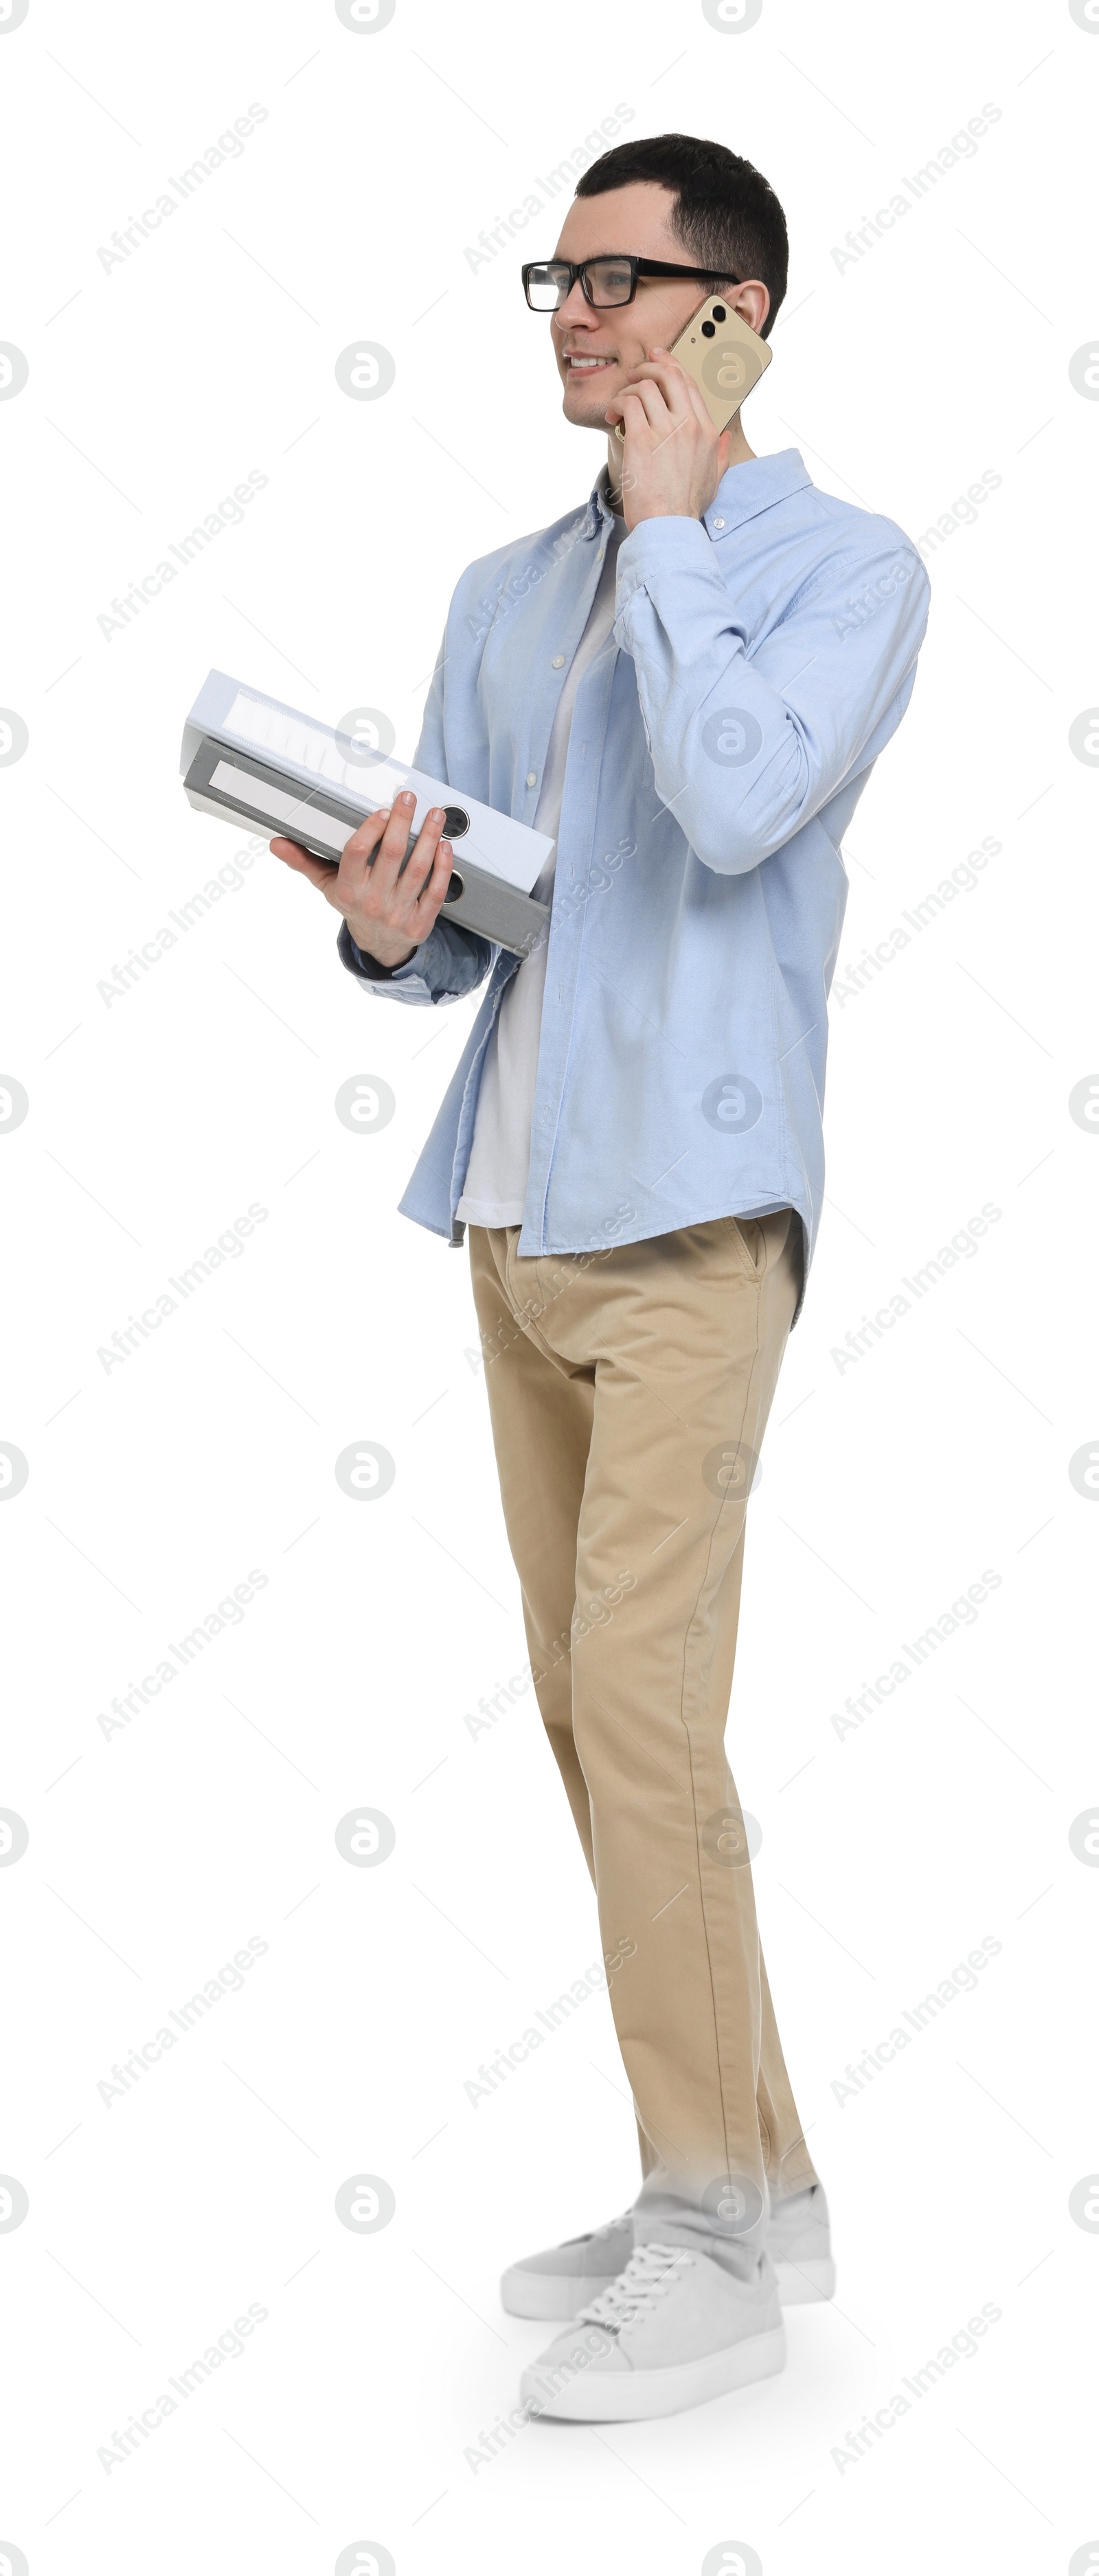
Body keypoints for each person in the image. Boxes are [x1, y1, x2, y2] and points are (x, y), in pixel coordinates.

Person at [271, 133, 930, 2424]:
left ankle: (702, 2236)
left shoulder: (840, 570)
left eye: (626, 281)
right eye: (557, 274)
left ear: (740, 316)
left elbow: (741, 797)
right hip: (518, 1222)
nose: (575, 311)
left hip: (692, 1239)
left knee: (647, 1731)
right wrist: (384, 920)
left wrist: (669, 533)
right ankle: (753, 2189)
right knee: (590, 1721)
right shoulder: (493, 591)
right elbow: (474, 926)